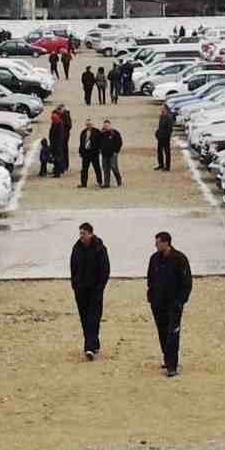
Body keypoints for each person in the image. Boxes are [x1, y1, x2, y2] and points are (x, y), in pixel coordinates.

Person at [146, 231, 193, 377]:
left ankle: (172, 365)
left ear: (166, 243)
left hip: (174, 304)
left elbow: (186, 282)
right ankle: (167, 357)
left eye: (158, 242)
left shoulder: (179, 259)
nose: (156, 245)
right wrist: (151, 296)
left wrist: (180, 301)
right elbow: (150, 278)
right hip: (158, 302)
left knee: (173, 333)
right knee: (162, 331)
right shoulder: (154, 259)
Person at [69, 222, 110, 360]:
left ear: (91, 234)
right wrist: (74, 284)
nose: (81, 236)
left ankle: (89, 348)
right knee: (84, 317)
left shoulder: (100, 249)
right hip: (80, 289)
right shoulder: (76, 248)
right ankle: (94, 342)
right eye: (80, 233)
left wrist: (100, 287)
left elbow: (105, 269)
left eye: (84, 233)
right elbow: (73, 267)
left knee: (94, 317)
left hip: (95, 290)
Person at [76, 119, 103, 188]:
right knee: (84, 169)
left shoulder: (97, 132)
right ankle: (83, 184)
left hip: (94, 153)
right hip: (85, 153)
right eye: (87, 124)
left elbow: (100, 142)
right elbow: (81, 143)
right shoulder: (83, 132)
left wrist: (99, 150)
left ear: (92, 124)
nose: (88, 126)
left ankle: (100, 182)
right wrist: (80, 152)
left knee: (97, 168)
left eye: (90, 124)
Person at [99, 119, 124, 188]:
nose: (106, 127)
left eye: (107, 125)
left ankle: (119, 179)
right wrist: (100, 150)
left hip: (113, 154)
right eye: (105, 126)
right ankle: (106, 183)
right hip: (104, 154)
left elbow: (119, 142)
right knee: (105, 169)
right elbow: (98, 142)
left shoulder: (115, 133)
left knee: (114, 167)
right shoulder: (101, 134)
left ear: (110, 125)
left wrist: (116, 151)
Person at [49, 106, 72, 177]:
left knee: (61, 153)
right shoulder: (57, 121)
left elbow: (69, 126)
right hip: (58, 140)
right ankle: (59, 168)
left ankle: (61, 168)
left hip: (62, 139)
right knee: (59, 154)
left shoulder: (61, 120)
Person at [154, 106, 174, 171]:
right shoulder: (161, 116)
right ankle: (161, 165)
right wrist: (157, 133)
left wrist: (167, 135)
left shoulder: (168, 117)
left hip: (165, 137)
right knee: (159, 151)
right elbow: (160, 126)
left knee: (167, 152)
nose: (161, 110)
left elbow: (170, 129)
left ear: (166, 109)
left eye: (162, 108)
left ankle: (167, 167)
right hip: (160, 136)